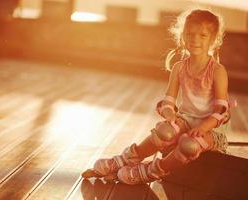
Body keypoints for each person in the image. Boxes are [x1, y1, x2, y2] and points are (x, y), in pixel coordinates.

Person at [83, 8, 232, 185]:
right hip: (186, 120)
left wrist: (204, 127)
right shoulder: (179, 67)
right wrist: (170, 116)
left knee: (189, 145)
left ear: (213, 40)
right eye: (190, 34)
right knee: (165, 131)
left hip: (212, 131)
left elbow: (222, 111)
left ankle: (153, 170)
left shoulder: (217, 71)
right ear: (183, 35)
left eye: (202, 35)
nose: (195, 39)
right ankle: (126, 159)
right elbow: (168, 101)